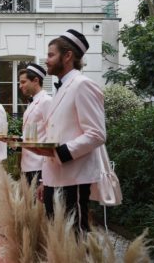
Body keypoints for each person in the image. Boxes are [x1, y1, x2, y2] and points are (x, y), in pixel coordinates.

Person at [33, 29, 106, 232]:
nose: (46, 60)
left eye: (50, 55)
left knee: (75, 240)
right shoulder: (61, 88)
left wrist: (62, 153)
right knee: (57, 241)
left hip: (74, 179)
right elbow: (53, 135)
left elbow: (97, 134)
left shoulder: (83, 85)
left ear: (67, 56)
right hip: (53, 178)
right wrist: (43, 180)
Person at [18, 63, 52, 185]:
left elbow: (51, 137)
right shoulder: (31, 103)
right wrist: (18, 140)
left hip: (39, 166)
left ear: (36, 80)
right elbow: (33, 133)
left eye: (23, 82)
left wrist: (45, 177)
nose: (20, 86)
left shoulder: (47, 101)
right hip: (27, 164)